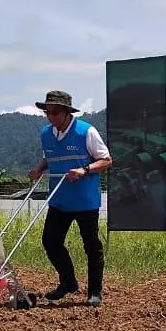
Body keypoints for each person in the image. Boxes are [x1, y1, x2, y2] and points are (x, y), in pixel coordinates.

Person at [27, 90, 112, 306]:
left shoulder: (86, 132)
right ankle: (68, 282)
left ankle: (94, 291)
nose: (50, 117)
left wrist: (84, 170)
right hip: (59, 199)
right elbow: (49, 157)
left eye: (55, 112)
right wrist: (38, 169)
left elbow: (106, 160)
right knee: (50, 241)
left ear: (66, 112)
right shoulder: (46, 133)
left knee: (91, 245)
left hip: (85, 201)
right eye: (47, 112)